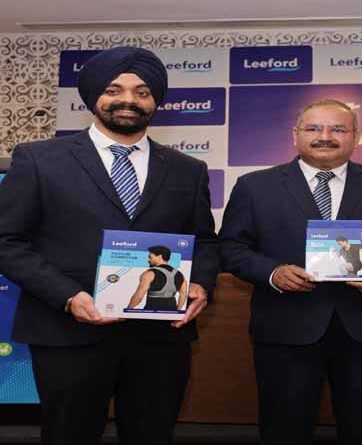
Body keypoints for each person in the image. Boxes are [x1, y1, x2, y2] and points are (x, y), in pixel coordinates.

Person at [0, 46, 219, 445]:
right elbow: (7, 241)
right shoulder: (38, 159)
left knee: (152, 434)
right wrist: (68, 296)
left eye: (142, 92)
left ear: (155, 101)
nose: (128, 100)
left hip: (159, 337)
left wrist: (201, 283)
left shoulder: (188, 170)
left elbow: (203, 239)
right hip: (67, 332)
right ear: (93, 97)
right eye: (114, 89)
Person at [219, 98, 362, 444]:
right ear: (295, 135)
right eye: (314, 128)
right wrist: (273, 273)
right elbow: (230, 247)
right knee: (284, 429)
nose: (325, 136)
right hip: (286, 327)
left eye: (337, 129)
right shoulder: (255, 186)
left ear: (355, 136)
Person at [127, 246, 189, 312]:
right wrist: (177, 311)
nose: (148, 260)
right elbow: (183, 294)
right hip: (171, 313)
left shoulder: (149, 274)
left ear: (159, 257)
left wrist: (128, 309)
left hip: (151, 313)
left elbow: (139, 296)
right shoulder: (180, 274)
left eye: (150, 257)